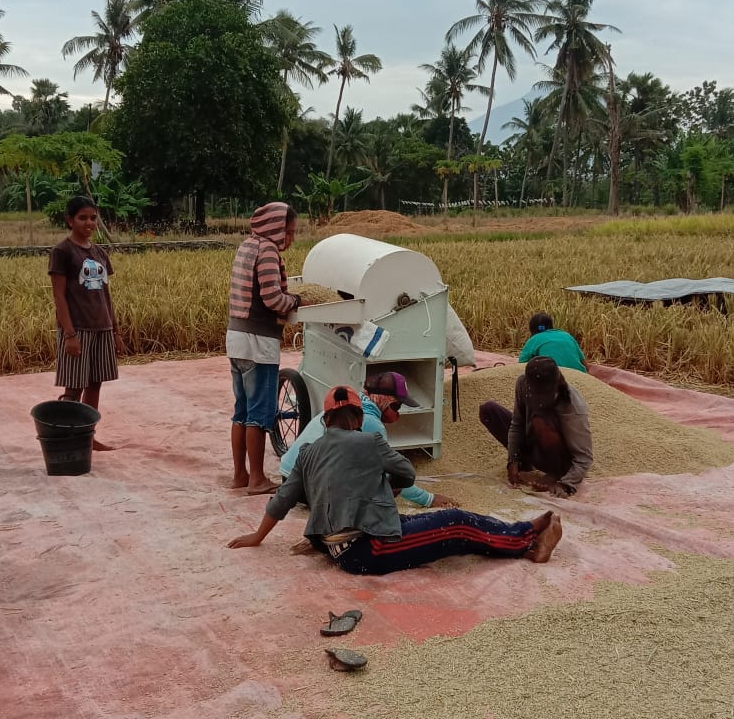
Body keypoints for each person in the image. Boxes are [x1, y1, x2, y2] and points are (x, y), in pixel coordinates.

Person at [228, 384, 563, 573]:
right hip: (366, 550)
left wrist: (257, 536)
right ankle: (525, 542)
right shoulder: (369, 440)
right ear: (359, 417)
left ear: (325, 418)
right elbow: (406, 473)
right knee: (456, 522)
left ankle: (518, 532)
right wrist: (384, 484)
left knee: (429, 524)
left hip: (336, 544)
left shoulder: (308, 451)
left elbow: (283, 499)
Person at [280, 370, 458, 509]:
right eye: (396, 406)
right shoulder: (371, 422)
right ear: (382, 399)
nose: (398, 413)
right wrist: (428, 499)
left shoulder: (351, 405)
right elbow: (391, 473)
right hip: (305, 488)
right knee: (383, 485)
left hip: (288, 476)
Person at [226, 202, 306, 495]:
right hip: (258, 342)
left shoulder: (247, 245)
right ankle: (258, 479)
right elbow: (273, 297)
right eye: (290, 232)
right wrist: (297, 301)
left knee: (241, 411)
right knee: (259, 414)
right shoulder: (268, 250)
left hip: (236, 338)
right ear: (276, 228)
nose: (292, 239)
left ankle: (240, 475)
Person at [48, 196, 124, 451]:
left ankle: (87, 436)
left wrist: (115, 330)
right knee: (74, 386)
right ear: (70, 220)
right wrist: (69, 334)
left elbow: (106, 294)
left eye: (93, 218)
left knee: (95, 383)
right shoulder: (62, 252)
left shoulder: (100, 253)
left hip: (101, 326)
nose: (89, 223)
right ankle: (65, 438)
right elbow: (59, 296)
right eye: (82, 218)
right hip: (77, 328)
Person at [479, 356, 593, 498]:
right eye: (533, 393)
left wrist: (566, 484)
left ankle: (554, 473)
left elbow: (584, 458)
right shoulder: (522, 384)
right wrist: (513, 460)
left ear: (556, 387)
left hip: (560, 458)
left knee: (540, 421)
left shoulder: (572, 406)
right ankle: (524, 463)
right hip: (533, 442)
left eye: (542, 395)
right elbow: (517, 424)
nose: (537, 399)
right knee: (489, 410)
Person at [519, 313, 588, 373]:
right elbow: (584, 363)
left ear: (532, 329)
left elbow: (521, 366)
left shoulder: (534, 339)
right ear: (551, 326)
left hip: (556, 380)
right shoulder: (566, 335)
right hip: (580, 375)